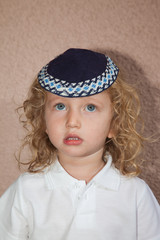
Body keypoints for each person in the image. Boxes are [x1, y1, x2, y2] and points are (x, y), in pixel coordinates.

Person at [0, 48, 160, 240]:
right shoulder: (26, 190)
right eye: (60, 106)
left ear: (114, 124)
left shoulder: (136, 194)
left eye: (90, 107)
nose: (72, 121)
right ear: (43, 121)